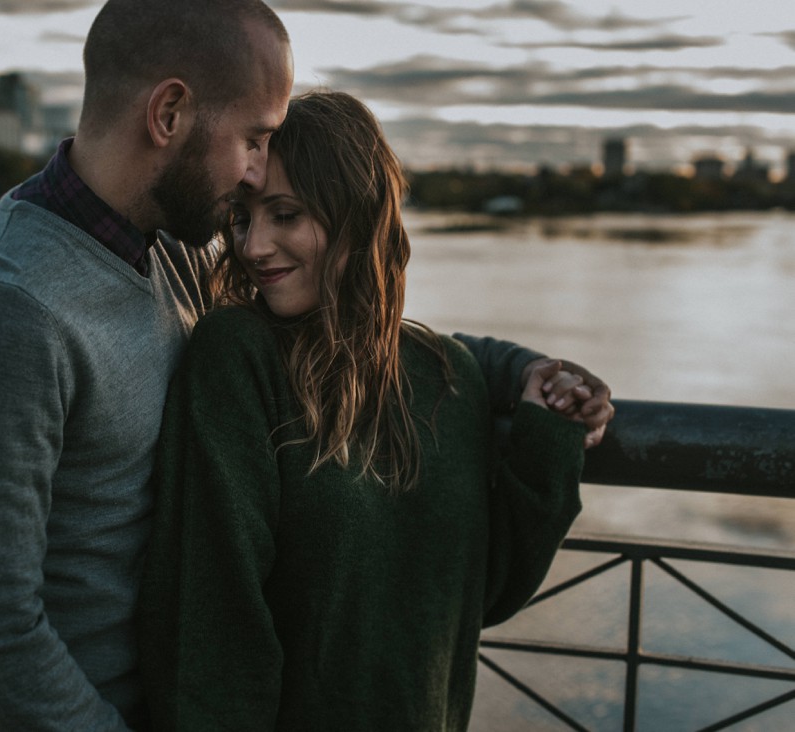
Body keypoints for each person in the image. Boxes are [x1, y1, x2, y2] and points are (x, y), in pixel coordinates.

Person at [0, 1, 611, 729]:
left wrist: (521, 370)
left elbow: (360, 324)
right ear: (169, 113)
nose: (257, 168)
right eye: (254, 137)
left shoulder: (167, 247)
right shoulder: (3, 313)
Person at [137, 90, 597, 731]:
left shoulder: (450, 375)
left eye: (286, 215)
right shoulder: (238, 355)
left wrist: (551, 430)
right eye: (241, 218)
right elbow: (210, 622)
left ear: (357, 213)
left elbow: (483, 595)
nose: (253, 246)